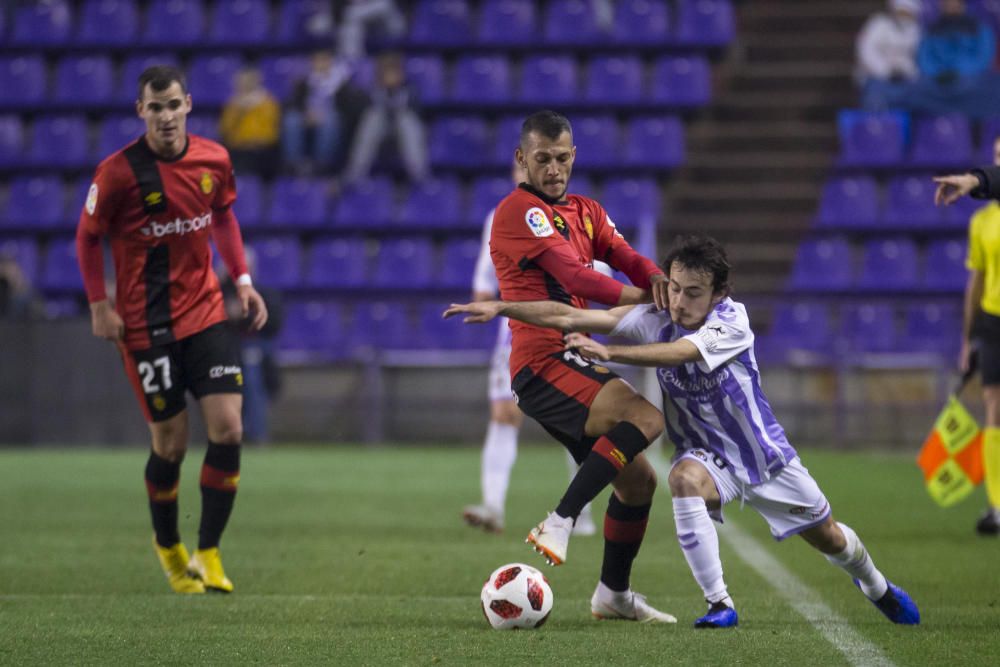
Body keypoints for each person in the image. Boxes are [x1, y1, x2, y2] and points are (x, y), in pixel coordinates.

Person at [445, 234, 921, 628]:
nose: (679, 300)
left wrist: (612, 354)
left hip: (764, 457)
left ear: (717, 294)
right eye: (673, 288)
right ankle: (720, 605)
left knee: (830, 538)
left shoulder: (732, 320)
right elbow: (572, 315)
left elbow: (682, 354)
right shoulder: (658, 316)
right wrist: (504, 309)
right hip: (705, 456)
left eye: (693, 292)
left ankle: (877, 586)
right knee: (680, 480)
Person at [474, 110, 675, 623]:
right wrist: (658, 298)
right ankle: (560, 518)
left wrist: (656, 280)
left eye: (562, 158)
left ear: (574, 156)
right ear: (522, 159)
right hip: (542, 362)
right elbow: (578, 278)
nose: (554, 168)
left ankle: (613, 595)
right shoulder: (520, 211)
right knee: (648, 418)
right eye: (542, 159)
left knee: (638, 484)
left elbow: (625, 254)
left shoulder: (587, 210)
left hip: (570, 356)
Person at [76, 65, 268, 594]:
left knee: (229, 428)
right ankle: (168, 546)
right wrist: (99, 303)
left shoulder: (214, 159)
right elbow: (87, 238)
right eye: (154, 107)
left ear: (188, 105)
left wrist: (243, 280)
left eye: (173, 105)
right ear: (141, 112)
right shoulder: (117, 174)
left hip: (206, 312)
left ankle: (208, 551)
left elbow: (223, 216)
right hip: (145, 327)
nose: (164, 116)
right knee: (172, 447)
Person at [462, 160, 596, 537]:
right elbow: (484, 282)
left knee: (575, 422)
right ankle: (492, 507)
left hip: (566, 328)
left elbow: (596, 274)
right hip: (516, 331)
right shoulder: (500, 218)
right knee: (505, 414)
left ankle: (580, 513)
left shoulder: (576, 215)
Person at [934, 141, 1000, 535]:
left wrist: (974, 178)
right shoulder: (983, 222)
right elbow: (975, 282)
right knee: (994, 405)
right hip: (994, 318)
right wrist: (966, 338)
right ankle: (997, 504)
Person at [341, 51, 428, 186]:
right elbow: (358, 117)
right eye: (387, 74)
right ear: (380, 76)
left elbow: (419, 116)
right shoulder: (371, 92)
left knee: (406, 119)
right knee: (373, 117)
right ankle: (355, 174)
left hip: (402, 133)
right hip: (378, 133)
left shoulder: (410, 91)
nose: (391, 77)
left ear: (401, 75)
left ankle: (420, 174)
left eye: (394, 73)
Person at [283, 50, 353, 174]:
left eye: (324, 60)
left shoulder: (341, 83)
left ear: (330, 62)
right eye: (317, 60)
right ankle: (295, 165)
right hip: (307, 117)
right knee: (291, 120)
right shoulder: (304, 83)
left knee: (330, 121)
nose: (320, 64)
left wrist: (323, 114)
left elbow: (347, 108)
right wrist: (306, 113)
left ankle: (321, 165)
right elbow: (293, 104)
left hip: (331, 117)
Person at [854, 0, 922, 110]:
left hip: (906, 79)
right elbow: (866, 51)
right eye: (901, 12)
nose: (903, 16)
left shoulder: (917, 31)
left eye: (907, 13)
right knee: (876, 96)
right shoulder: (877, 24)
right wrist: (886, 71)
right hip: (876, 77)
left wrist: (905, 71)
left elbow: (917, 58)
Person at [219, 67, 281, 180]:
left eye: (248, 82)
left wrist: (257, 141)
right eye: (242, 82)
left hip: (262, 149)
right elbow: (226, 129)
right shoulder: (232, 105)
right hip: (239, 148)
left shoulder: (267, 103)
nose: (245, 85)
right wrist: (239, 110)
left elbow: (272, 130)